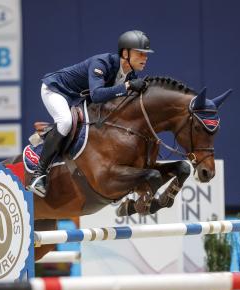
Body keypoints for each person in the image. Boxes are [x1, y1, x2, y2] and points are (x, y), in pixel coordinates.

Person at [27, 30, 154, 198]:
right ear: (125, 53)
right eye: (140, 53)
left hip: (76, 98)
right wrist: (127, 87)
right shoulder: (102, 63)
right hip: (56, 90)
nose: (145, 58)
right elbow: (97, 95)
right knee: (65, 122)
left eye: (146, 54)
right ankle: (39, 174)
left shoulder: (129, 74)